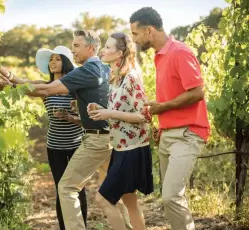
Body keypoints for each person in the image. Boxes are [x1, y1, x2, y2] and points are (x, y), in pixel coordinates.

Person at [129, 7, 210, 230]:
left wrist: (163, 107)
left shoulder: (179, 52)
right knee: (172, 199)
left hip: (187, 134)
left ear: (150, 30)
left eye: (135, 34)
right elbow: (174, 96)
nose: (134, 40)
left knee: (171, 196)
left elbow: (197, 92)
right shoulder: (159, 56)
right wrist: (162, 123)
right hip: (169, 134)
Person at [0, 46, 88, 229]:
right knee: (61, 189)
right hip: (55, 147)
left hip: (77, 145)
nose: (53, 62)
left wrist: (71, 118)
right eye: (51, 60)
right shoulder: (45, 88)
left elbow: (89, 120)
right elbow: (20, 81)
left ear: (66, 62)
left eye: (57, 59)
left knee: (76, 188)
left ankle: (82, 225)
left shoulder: (77, 87)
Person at [88, 32, 153, 230]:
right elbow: (118, 111)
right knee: (130, 202)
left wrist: (110, 112)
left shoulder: (131, 77)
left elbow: (144, 116)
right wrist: (100, 110)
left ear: (120, 53)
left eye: (108, 47)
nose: (103, 50)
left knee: (103, 199)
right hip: (121, 148)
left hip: (133, 150)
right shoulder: (115, 79)